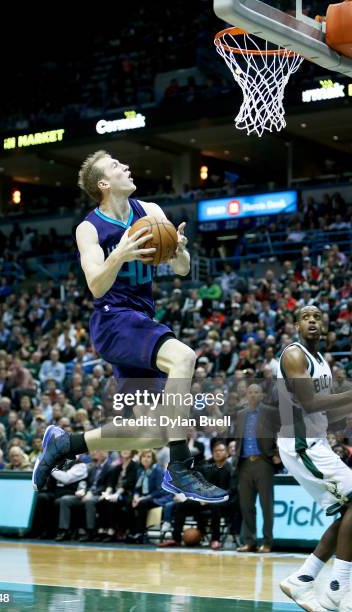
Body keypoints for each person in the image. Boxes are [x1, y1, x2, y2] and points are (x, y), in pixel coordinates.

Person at [33, 150, 228, 505]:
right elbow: (95, 285)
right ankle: (180, 466)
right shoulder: (89, 228)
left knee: (150, 433)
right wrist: (119, 254)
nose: (125, 166)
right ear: (103, 184)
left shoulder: (151, 212)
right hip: (112, 319)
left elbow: (182, 268)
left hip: (141, 319)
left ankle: (65, 443)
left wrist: (180, 249)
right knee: (183, 357)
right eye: (115, 166)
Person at [278, 306, 352, 612]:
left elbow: (329, 410)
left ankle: (304, 578)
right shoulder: (294, 355)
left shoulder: (323, 362)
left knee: (348, 513)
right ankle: (337, 587)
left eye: (317, 317)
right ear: (297, 325)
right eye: (306, 317)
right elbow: (308, 403)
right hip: (300, 444)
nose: (312, 321)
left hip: (316, 443)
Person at [235, 384, 281, 554]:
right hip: (244, 463)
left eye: (256, 392)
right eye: (250, 392)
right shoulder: (240, 414)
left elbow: (283, 431)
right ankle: (249, 541)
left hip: (263, 462)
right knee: (246, 505)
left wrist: (278, 453)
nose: (253, 395)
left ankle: (267, 542)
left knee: (266, 505)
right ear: (246, 395)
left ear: (261, 395)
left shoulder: (270, 412)